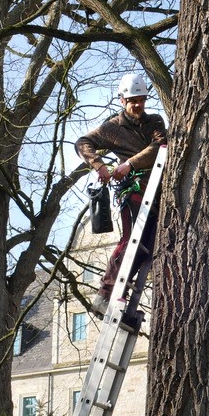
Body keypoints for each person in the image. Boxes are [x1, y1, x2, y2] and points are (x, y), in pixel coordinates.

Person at [74, 72, 168, 315]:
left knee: (147, 245)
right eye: (132, 100)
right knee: (130, 241)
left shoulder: (155, 121)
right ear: (122, 100)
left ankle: (120, 293)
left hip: (159, 192)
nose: (137, 105)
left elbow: (159, 146)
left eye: (141, 100)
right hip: (135, 191)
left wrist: (130, 163)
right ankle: (106, 294)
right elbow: (83, 142)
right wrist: (99, 165)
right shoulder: (112, 128)